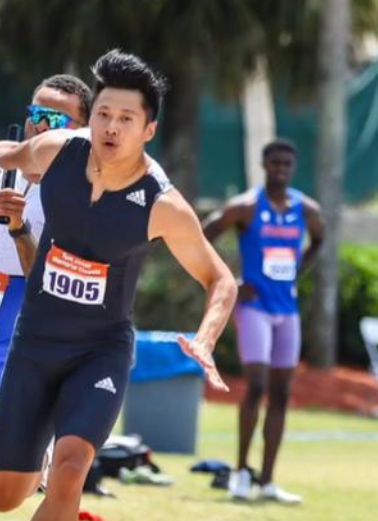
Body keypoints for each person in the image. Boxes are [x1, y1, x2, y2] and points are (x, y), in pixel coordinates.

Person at [0, 50, 235, 521]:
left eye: (126, 119)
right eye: (104, 114)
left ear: (148, 130)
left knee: (69, 472)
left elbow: (220, 278)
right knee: (7, 494)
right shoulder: (58, 151)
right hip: (35, 342)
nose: (110, 127)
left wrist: (206, 340)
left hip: (99, 352)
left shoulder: (160, 202)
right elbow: (14, 154)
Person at [203, 139, 323, 503]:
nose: (281, 169)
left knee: (283, 392)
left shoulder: (307, 209)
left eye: (287, 163)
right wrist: (230, 281)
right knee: (256, 386)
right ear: (264, 164)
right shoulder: (246, 207)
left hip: (286, 310)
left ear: (293, 167)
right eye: (274, 163)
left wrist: (297, 273)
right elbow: (202, 236)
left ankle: (268, 481)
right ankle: (241, 472)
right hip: (253, 307)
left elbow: (320, 240)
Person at [0, 74, 92, 386]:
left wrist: (18, 225)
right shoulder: (3, 158)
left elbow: (45, 278)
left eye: (55, 119)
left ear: (82, 130)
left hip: (29, 300)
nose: (41, 126)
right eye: (36, 114)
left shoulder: (84, 192)